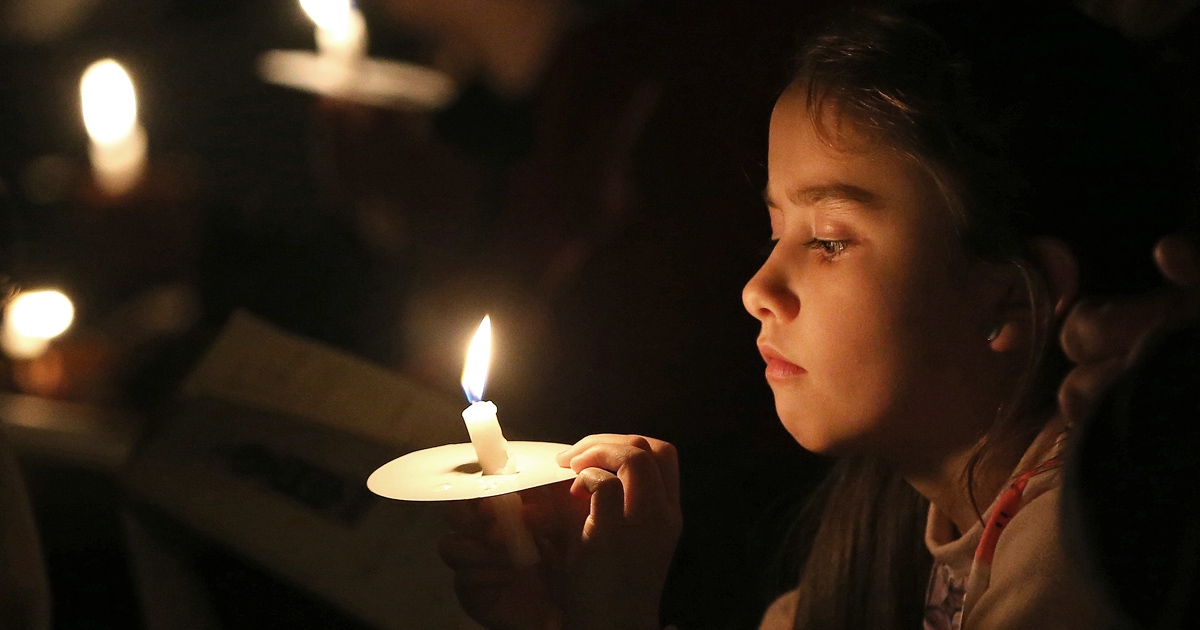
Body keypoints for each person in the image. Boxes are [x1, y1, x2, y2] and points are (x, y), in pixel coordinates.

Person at [439, 3, 1198, 629]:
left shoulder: (1072, 549)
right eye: (776, 234)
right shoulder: (883, 536)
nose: (757, 288)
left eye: (829, 240)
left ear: (1008, 296)